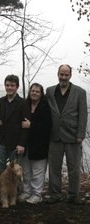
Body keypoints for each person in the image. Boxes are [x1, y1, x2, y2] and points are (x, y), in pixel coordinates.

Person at [46, 64, 88, 204]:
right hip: (54, 136)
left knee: (74, 169)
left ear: (70, 75)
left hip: (73, 136)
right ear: (57, 74)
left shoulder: (80, 92)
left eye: (66, 75)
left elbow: (83, 115)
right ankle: (55, 194)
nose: (63, 77)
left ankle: (73, 195)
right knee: (54, 168)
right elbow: (46, 113)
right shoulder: (50, 91)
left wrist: (80, 134)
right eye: (61, 74)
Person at [0, 74, 30, 203]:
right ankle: (0, 195)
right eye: (7, 85)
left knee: (15, 173)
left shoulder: (23, 103)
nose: (9, 88)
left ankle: (13, 196)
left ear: (17, 87)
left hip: (16, 143)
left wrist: (22, 144)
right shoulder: (0, 102)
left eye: (12, 85)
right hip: (1, 141)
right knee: (0, 170)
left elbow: (25, 126)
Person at [19, 83, 52, 204]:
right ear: (29, 92)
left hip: (40, 144)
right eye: (33, 91)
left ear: (41, 94)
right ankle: (26, 191)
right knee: (26, 170)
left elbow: (47, 126)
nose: (34, 93)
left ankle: (37, 194)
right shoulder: (25, 105)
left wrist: (31, 125)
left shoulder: (45, 107)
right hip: (26, 144)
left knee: (38, 171)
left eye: (37, 91)